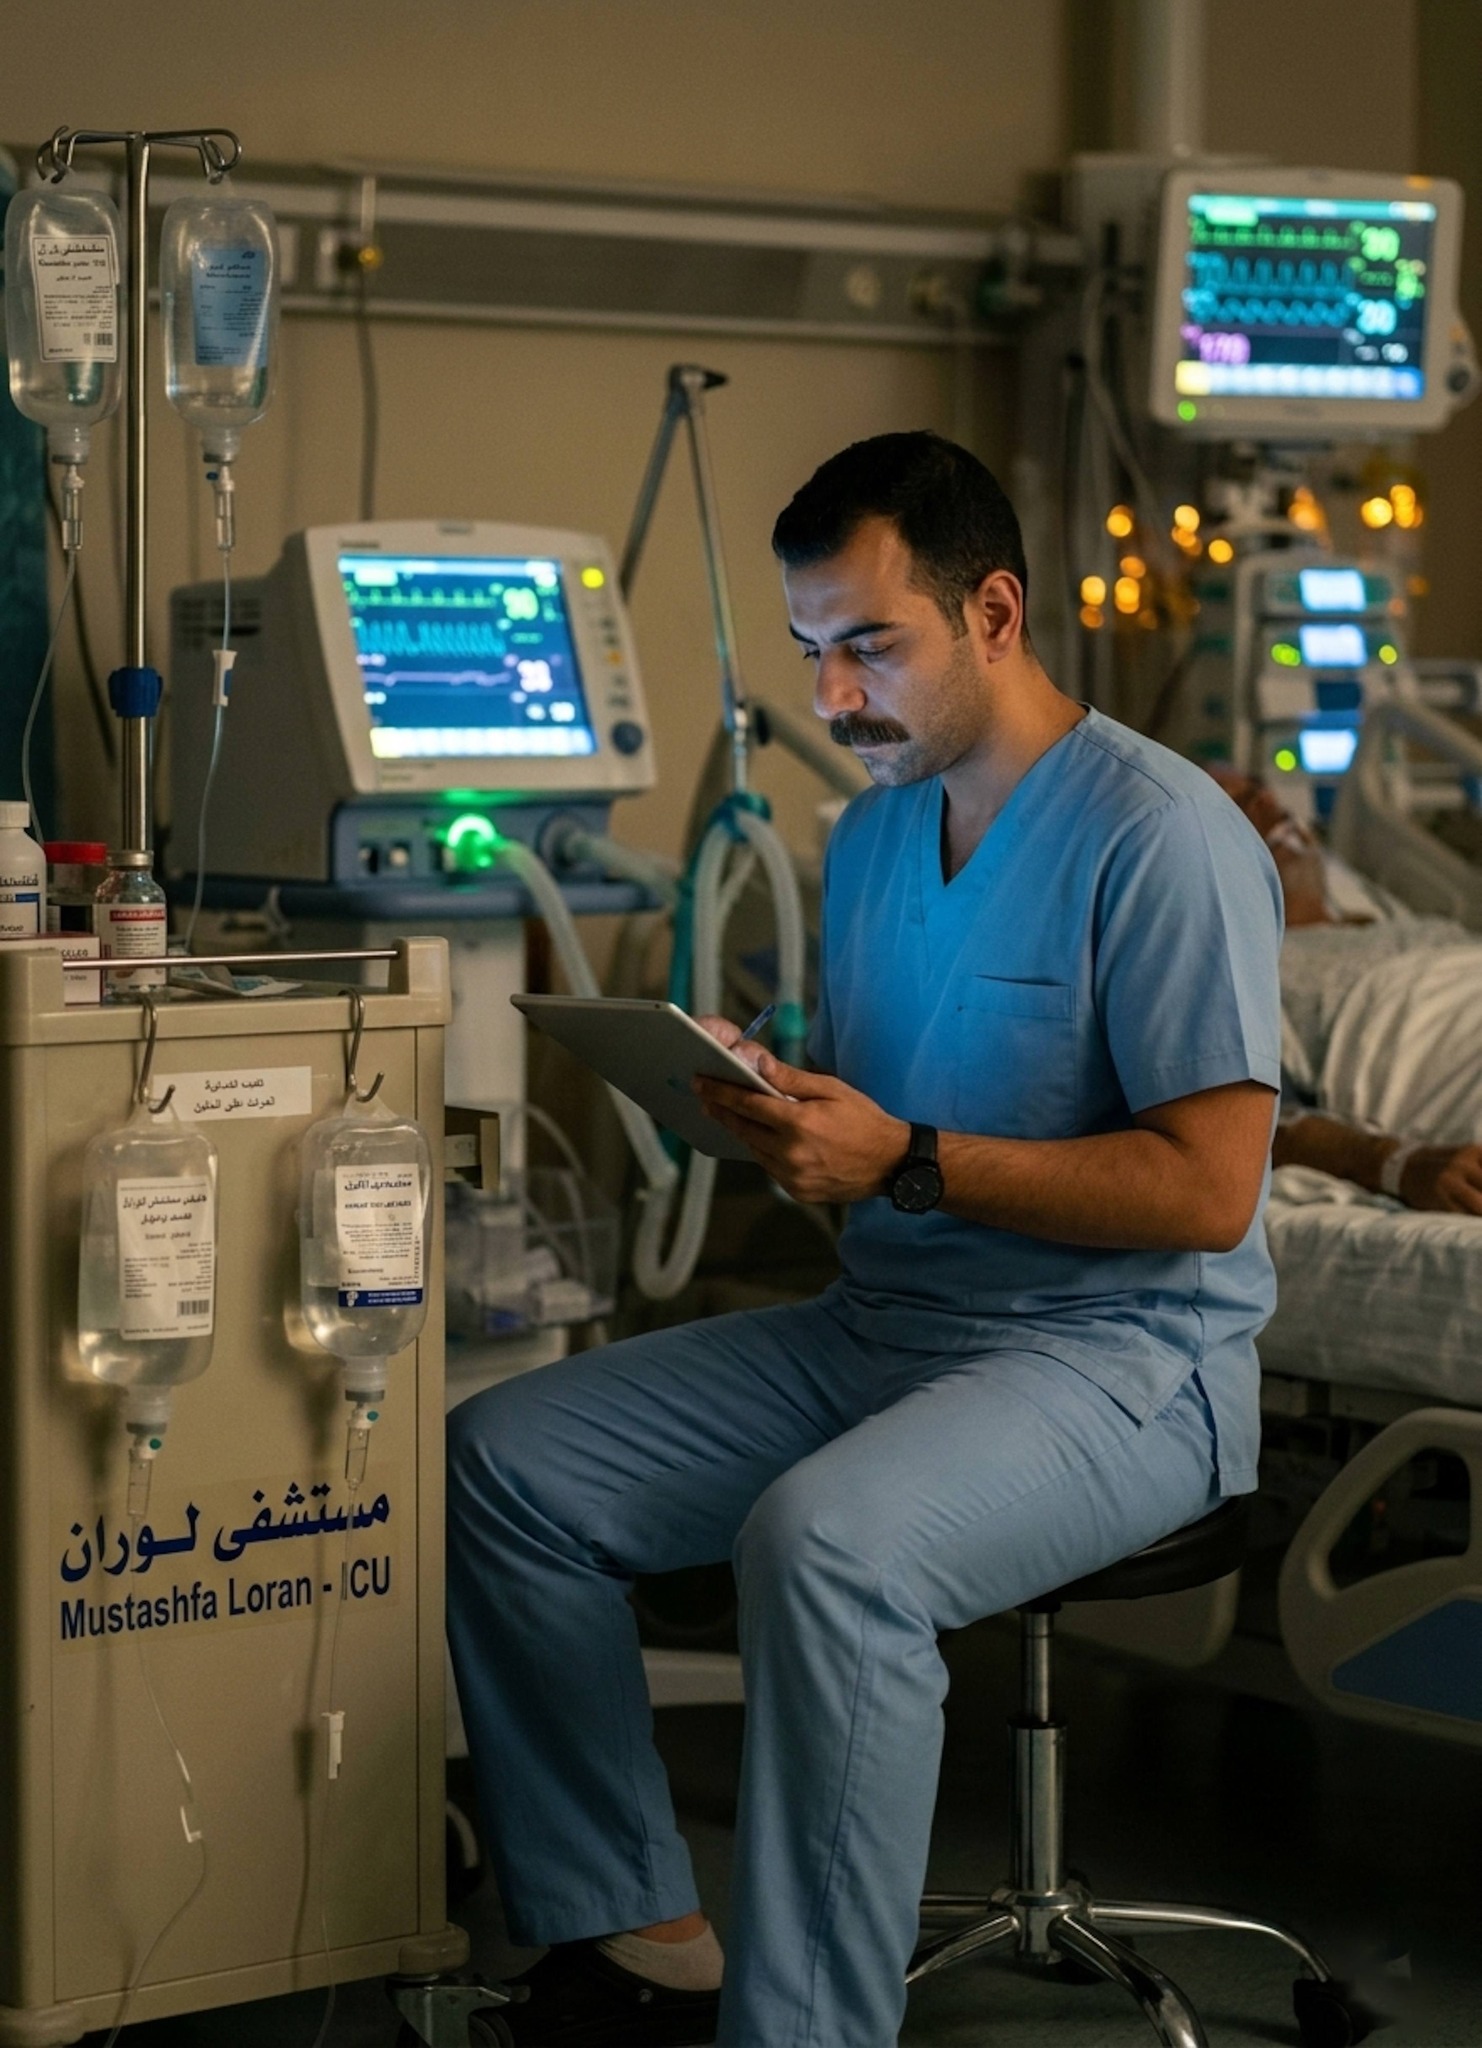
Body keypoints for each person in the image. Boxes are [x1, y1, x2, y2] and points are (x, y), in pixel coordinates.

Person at [446, 432, 1283, 2048]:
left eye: (868, 647)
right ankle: (634, 1927)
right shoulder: (877, 836)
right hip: (886, 1326)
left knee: (823, 1544)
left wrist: (898, 1156)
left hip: (1117, 1361)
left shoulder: (1161, 837)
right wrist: (774, 1091)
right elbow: (894, 1109)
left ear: (990, 611)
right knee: (504, 1465)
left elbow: (1206, 1191)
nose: (833, 700)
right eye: (812, 652)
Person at [1212, 770, 1482, 1215]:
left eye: (1259, 790)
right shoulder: (1249, 967)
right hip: (1426, 1041)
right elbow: (1241, 1122)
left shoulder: (1412, 927)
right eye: (1236, 809)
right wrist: (1393, 1164)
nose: (1268, 804)